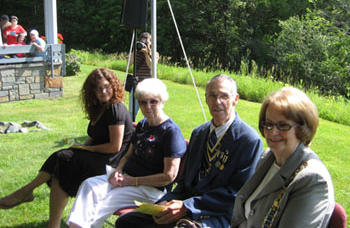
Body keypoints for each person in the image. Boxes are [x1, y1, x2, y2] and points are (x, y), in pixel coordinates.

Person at [115, 74, 263, 228]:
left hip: (218, 216)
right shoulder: (199, 134)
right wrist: (166, 203)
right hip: (185, 207)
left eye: (224, 96)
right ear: (206, 98)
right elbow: (184, 182)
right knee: (126, 222)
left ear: (236, 99)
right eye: (212, 95)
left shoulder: (248, 141)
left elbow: (236, 195)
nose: (217, 102)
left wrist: (187, 207)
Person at [0, 68, 134, 228]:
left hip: (112, 163)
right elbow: (97, 135)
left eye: (107, 86)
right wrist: (83, 145)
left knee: (62, 159)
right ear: (92, 92)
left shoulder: (115, 108)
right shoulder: (101, 108)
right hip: (101, 156)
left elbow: (115, 146)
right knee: (62, 164)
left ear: (114, 86)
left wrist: (86, 150)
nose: (103, 91)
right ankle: (52, 223)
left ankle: (25, 192)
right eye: (98, 88)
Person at [66, 78, 187, 228]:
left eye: (153, 101)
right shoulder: (143, 125)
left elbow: (169, 176)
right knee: (89, 184)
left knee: (104, 201)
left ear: (162, 102)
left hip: (150, 190)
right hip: (126, 178)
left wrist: (133, 181)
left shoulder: (170, 132)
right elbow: (128, 155)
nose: (148, 106)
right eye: (143, 102)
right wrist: (118, 170)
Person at [230, 87, 335, 228]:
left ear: (302, 128)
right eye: (269, 124)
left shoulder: (312, 179)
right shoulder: (268, 157)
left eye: (283, 126)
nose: (273, 132)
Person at [128, 32, 159, 120]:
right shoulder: (136, 53)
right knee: (132, 111)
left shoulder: (154, 53)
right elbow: (128, 64)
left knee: (149, 110)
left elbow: (152, 66)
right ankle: (130, 129)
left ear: (151, 42)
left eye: (146, 43)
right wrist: (135, 50)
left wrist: (146, 53)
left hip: (149, 87)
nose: (144, 45)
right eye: (142, 42)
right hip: (136, 85)